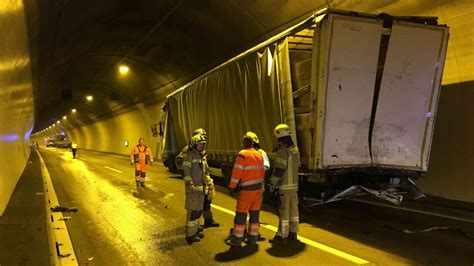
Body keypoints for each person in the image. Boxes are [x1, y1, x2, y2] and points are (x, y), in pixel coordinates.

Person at [226, 133, 265, 247]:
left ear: (244, 143)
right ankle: (253, 238)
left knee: (241, 214)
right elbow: (262, 172)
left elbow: (236, 173)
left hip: (246, 190)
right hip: (257, 190)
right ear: (253, 143)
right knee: (254, 214)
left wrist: (232, 187)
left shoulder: (242, 155)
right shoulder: (259, 155)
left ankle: (237, 239)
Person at [176, 128, 220, 228]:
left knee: (207, 201)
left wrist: (208, 177)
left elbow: (203, 165)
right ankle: (194, 227)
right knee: (196, 205)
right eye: (202, 137)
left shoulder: (201, 149)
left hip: (203, 180)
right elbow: (180, 162)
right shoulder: (189, 150)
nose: (204, 141)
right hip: (195, 182)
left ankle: (208, 220)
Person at [269, 124, 300, 244]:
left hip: (284, 187)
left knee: (284, 213)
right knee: (294, 212)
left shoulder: (282, 151)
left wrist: (272, 183)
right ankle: (293, 233)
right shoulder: (294, 149)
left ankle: (281, 236)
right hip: (294, 187)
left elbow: (279, 169)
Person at [183, 133, 213, 244]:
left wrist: (209, 183)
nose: (202, 146)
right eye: (200, 144)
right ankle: (190, 235)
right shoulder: (190, 155)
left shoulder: (202, 157)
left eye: (203, 144)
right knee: (193, 212)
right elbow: (186, 171)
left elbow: (205, 172)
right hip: (193, 190)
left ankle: (195, 231)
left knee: (198, 212)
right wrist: (189, 183)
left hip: (201, 190)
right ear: (194, 145)